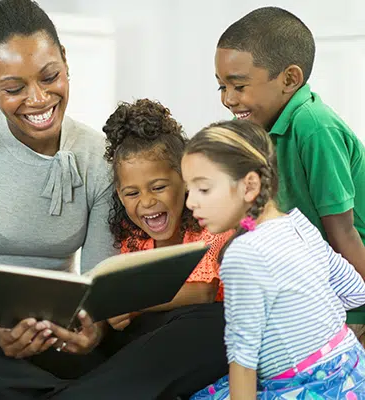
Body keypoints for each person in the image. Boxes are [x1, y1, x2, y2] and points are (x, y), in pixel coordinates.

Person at [0, 1, 224, 399]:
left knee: (213, 323)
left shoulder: (98, 154)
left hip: (69, 337)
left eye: (50, 76)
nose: (38, 98)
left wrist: (94, 329)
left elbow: (100, 280)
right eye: (13, 88)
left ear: (66, 63)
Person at [183, 120, 365, 399]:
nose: (190, 202)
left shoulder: (242, 254)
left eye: (204, 189)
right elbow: (355, 290)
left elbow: (243, 360)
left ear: (250, 186)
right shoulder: (298, 225)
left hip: (306, 388)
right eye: (189, 189)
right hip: (351, 371)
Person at [215, 7, 365, 280]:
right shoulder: (262, 129)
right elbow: (267, 211)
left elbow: (343, 233)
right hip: (311, 272)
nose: (228, 99)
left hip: (350, 278)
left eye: (239, 86)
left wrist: (354, 315)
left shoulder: (315, 127)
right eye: (221, 87)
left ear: (289, 79)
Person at [102, 99, 233, 333]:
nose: (147, 201)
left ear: (186, 181)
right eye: (132, 193)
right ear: (120, 197)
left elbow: (203, 292)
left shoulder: (211, 225)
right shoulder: (134, 239)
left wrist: (133, 304)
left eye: (159, 187)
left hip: (212, 330)